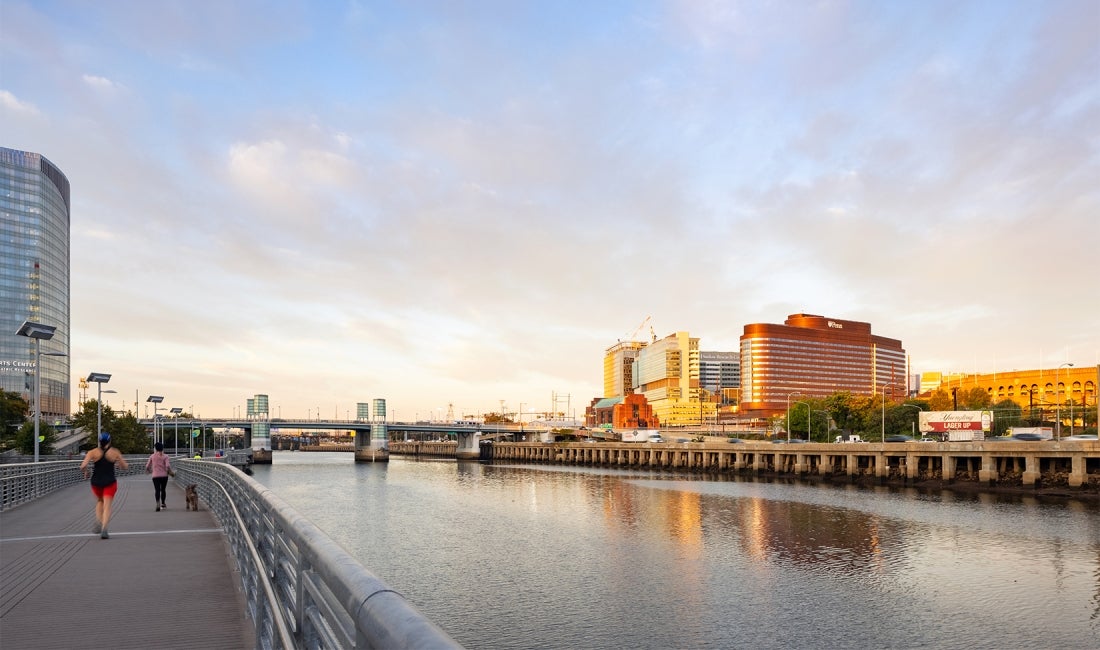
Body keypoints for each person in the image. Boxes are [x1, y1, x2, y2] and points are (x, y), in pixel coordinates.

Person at [80, 432, 129, 539]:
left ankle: (98, 521)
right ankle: (104, 528)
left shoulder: (92, 452)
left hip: (96, 482)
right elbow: (124, 466)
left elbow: (83, 465)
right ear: (109, 441)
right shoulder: (114, 452)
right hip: (110, 482)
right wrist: (120, 465)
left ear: (99, 441)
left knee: (99, 501)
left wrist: (86, 472)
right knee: (107, 506)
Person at [144, 441, 172, 511]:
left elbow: (147, 466)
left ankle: (157, 503)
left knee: (157, 490)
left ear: (155, 448)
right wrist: (170, 471)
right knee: (163, 490)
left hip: (155, 476)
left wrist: (149, 470)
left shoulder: (152, 456)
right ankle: (163, 503)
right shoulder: (166, 456)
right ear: (162, 448)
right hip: (164, 476)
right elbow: (167, 465)